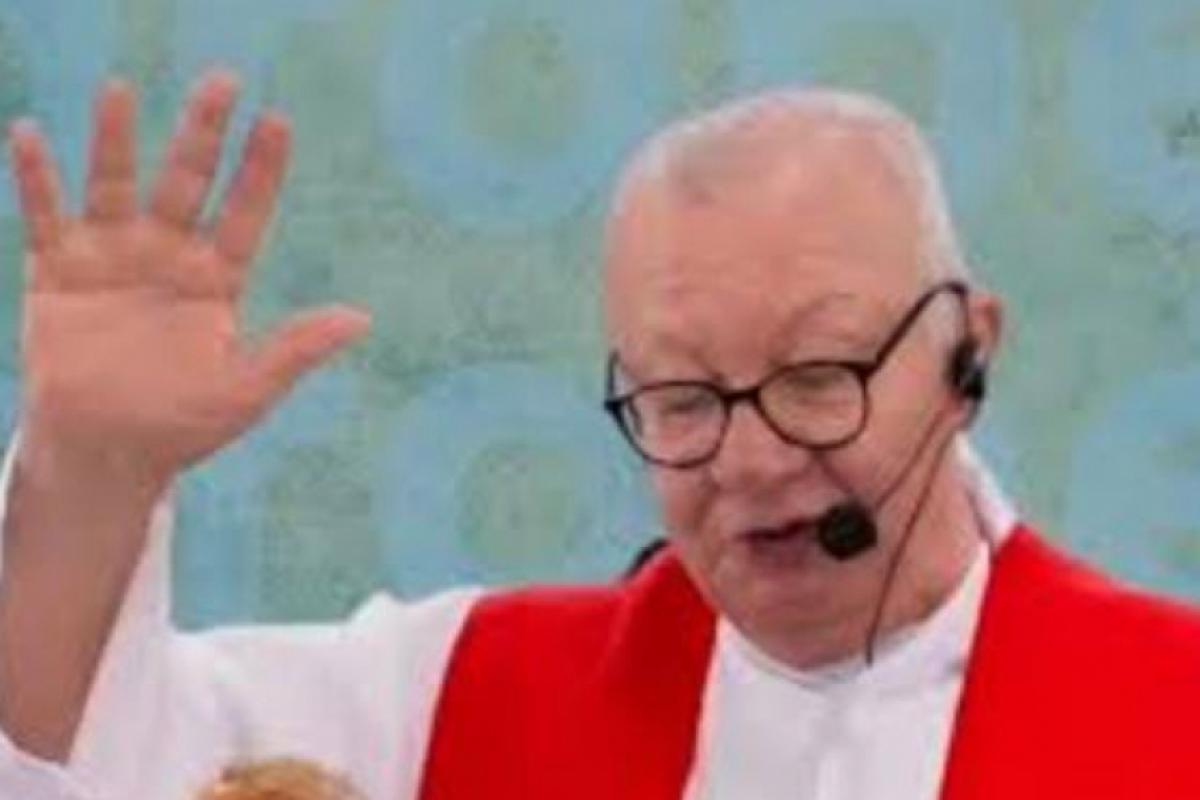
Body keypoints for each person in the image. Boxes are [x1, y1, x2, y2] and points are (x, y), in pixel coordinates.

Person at [0, 69, 1197, 800]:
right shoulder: (470, 693)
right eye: (683, 399)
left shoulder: (1171, 704)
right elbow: (93, 756)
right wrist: (88, 474)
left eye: (817, 377)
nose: (752, 460)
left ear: (966, 354)